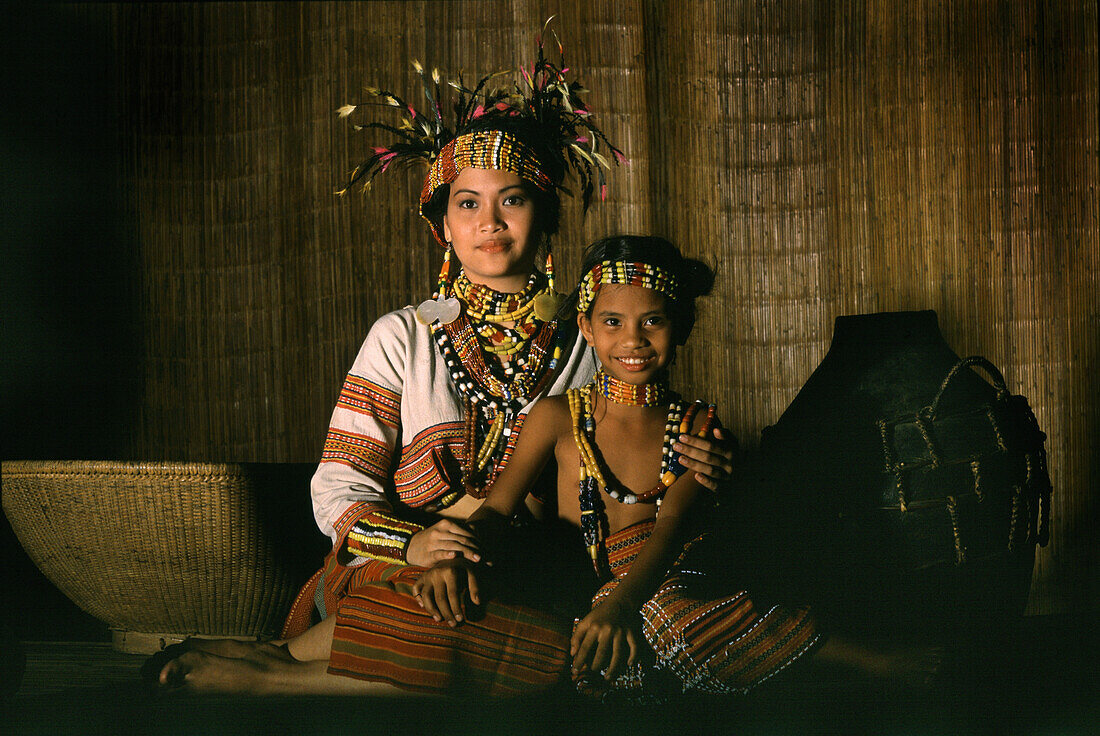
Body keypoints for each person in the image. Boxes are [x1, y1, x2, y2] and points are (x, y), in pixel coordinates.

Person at [147, 26, 733, 696]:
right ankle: (276, 664)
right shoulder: (404, 335)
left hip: (530, 570)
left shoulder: (594, 334)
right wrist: (417, 547)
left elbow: (639, 433)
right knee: (437, 601)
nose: (491, 222)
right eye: (467, 203)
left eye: (512, 199)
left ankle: (275, 665)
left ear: (543, 216)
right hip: (404, 561)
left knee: (535, 642)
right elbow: (338, 487)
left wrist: (707, 458)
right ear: (443, 225)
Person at [414, 235, 944, 698]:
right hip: (586, 583)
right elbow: (497, 508)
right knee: (584, 645)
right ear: (586, 326)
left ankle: (867, 664)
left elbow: (668, 531)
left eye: (654, 321)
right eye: (613, 322)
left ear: (682, 327)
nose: (633, 340)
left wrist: (620, 604)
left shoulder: (697, 426)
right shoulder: (556, 417)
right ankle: (775, 667)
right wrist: (454, 556)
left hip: (672, 576)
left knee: (665, 617)